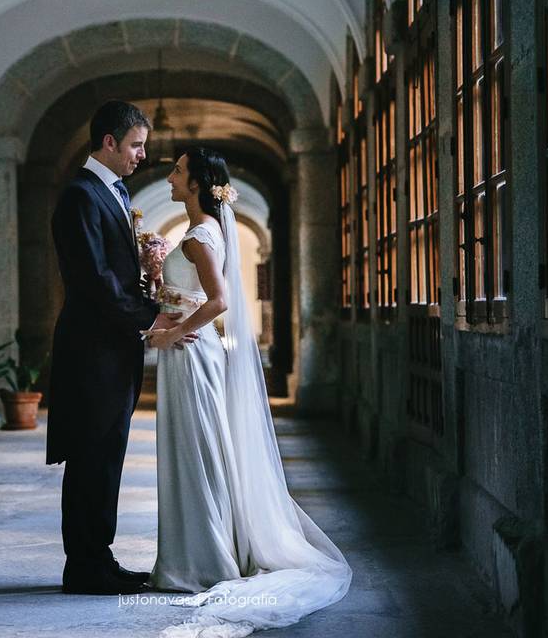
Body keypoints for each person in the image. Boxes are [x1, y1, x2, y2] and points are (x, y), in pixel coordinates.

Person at [143, 148, 352, 636]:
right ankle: (198, 552)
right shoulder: (205, 232)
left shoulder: (198, 237)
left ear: (196, 185)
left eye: (177, 171)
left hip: (191, 354)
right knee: (195, 446)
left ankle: (205, 558)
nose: (170, 177)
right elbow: (192, 295)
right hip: (191, 352)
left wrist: (171, 334)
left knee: (197, 449)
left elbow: (219, 300)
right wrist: (157, 281)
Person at [46, 101, 196, 596]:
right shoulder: (80, 197)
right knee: (90, 457)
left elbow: (118, 273)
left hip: (113, 348)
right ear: (108, 142)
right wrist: (152, 316)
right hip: (91, 351)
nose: (141, 155)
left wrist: (150, 289)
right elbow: (93, 279)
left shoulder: (112, 191)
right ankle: (83, 567)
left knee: (107, 456)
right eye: (135, 145)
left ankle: (99, 558)